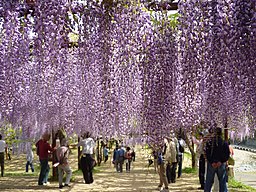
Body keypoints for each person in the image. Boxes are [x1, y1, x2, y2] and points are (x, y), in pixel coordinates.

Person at [204, 127, 230, 192]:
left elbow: (207, 153)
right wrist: (221, 161)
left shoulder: (209, 142)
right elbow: (227, 154)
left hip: (211, 164)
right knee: (222, 182)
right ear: (221, 133)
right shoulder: (224, 142)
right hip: (220, 164)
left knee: (208, 182)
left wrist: (212, 162)